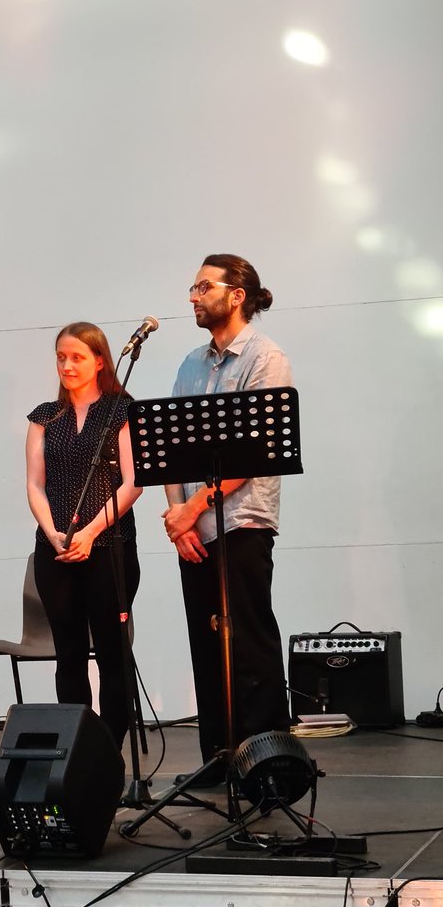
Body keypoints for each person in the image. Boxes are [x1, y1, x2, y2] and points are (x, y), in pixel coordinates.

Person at [162, 254, 293, 785]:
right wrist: (179, 515)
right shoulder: (191, 364)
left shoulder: (265, 357)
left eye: (202, 287)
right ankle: (219, 757)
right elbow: (170, 449)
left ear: (236, 295)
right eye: (192, 288)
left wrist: (193, 508)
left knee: (248, 642)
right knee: (206, 641)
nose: (192, 297)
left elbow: (254, 452)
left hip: (241, 521)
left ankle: (266, 764)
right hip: (194, 528)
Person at [26, 322, 143, 751]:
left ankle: (110, 749)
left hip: (109, 547)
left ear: (99, 361)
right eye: (61, 357)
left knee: (112, 653)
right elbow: (34, 484)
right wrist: (53, 533)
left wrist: (90, 532)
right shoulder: (44, 416)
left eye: (77, 357)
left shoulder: (120, 410)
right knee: (69, 654)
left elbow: (133, 482)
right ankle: (80, 749)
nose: (67, 365)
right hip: (55, 550)